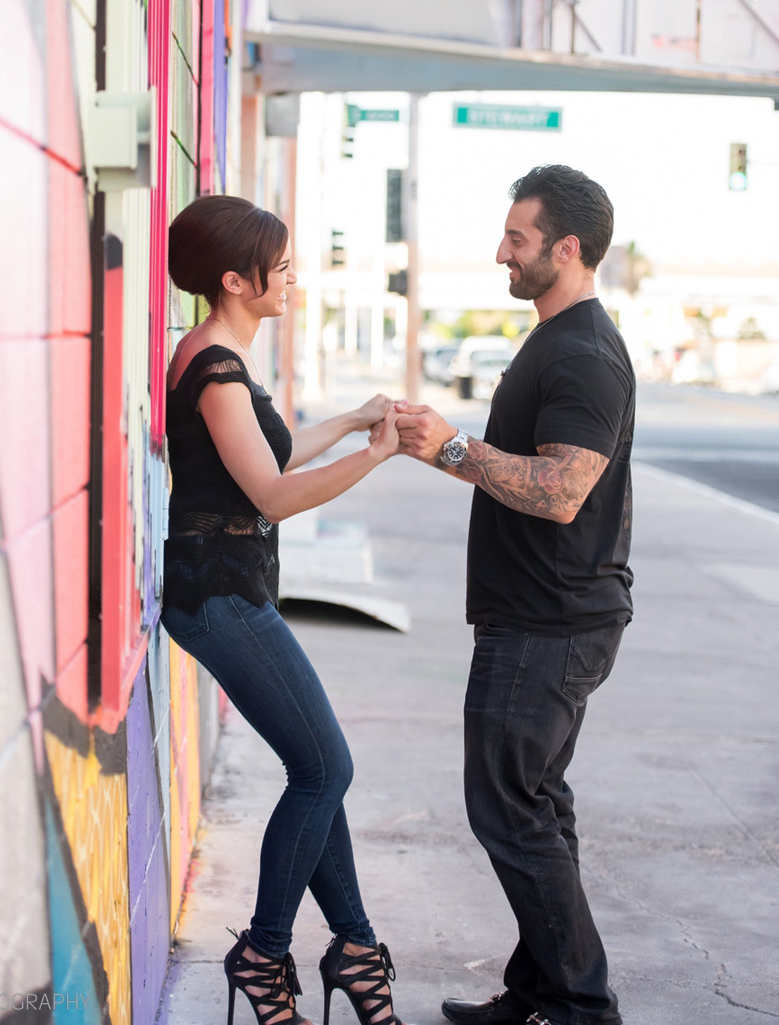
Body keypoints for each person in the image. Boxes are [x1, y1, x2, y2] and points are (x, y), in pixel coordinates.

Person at [396, 165, 636, 1025]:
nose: (502, 252)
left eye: (517, 238)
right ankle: (541, 992)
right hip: (540, 615)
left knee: (508, 810)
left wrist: (450, 449)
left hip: (551, 622)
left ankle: (578, 1006)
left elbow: (562, 489)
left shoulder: (584, 355)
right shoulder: (555, 339)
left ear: (566, 249)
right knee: (535, 807)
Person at [162, 195, 410, 1025]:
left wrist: (351, 419)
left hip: (229, 591)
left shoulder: (218, 354)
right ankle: (266, 954)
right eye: (280, 260)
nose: (293, 272)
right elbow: (269, 491)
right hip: (219, 596)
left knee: (317, 770)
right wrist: (374, 457)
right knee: (325, 769)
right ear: (236, 279)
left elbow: (266, 450)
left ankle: (354, 948)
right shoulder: (216, 367)